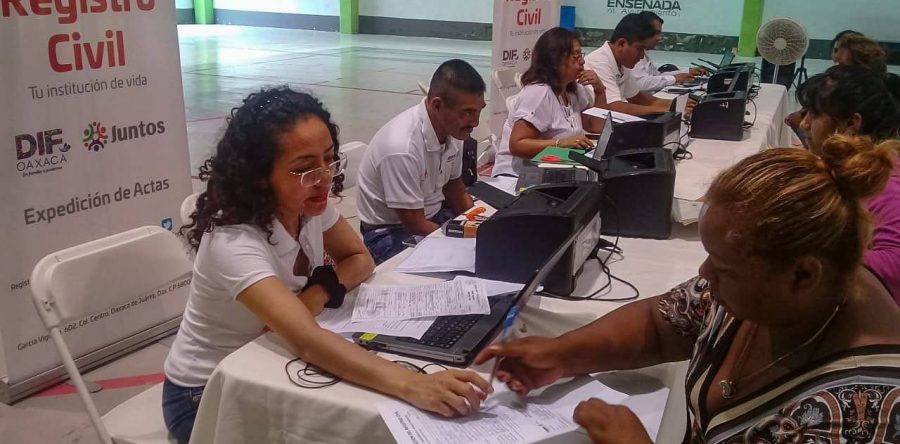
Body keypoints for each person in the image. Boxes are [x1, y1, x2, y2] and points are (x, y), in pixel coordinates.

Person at [476, 134, 900, 443]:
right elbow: (663, 324)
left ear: (804, 275)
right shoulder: (775, 292)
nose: (704, 272)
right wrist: (562, 354)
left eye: (724, 267)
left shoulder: (865, 414)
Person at [163, 87, 491, 443]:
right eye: (304, 168)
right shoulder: (233, 240)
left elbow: (360, 258)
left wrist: (316, 294)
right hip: (207, 391)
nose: (323, 178)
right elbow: (307, 341)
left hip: (272, 358)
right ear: (259, 175)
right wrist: (412, 384)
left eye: (329, 159)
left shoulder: (306, 204)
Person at [356, 59, 484, 264]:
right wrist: (464, 243)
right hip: (391, 231)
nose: (475, 122)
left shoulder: (454, 131)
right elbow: (415, 225)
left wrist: (479, 227)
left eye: (479, 111)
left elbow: (455, 191)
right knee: (462, 264)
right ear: (437, 105)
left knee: (489, 243)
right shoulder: (402, 147)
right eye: (467, 112)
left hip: (433, 216)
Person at [797, 66, 900, 302]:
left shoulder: (883, 183)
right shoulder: (853, 168)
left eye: (814, 114)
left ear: (852, 123)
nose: (804, 124)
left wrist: (802, 252)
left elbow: (895, 266)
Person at [492, 27, 607, 178]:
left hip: (554, 168)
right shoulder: (539, 93)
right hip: (519, 176)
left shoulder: (573, 89)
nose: (582, 61)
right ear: (555, 61)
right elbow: (517, 145)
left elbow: (595, 126)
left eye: (581, 55)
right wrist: (560, 144)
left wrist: (600, 90)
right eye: (575, 56)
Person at [583, 13, 672, 116]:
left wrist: (675, 105)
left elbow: (637, 98)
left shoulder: (621, 62)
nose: (641, 56)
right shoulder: (599, 62)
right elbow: (614, 107)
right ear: (621, 44)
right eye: (640, 49)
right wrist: (667, 110)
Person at [629, 11, 706, 93]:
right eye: (656, 33)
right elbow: (641, 84)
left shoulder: (644, 53)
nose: (660, 38)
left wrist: (687, 72)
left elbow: (657, 76)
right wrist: (674, 79)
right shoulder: (632, 54)